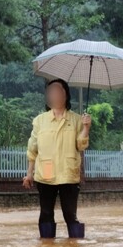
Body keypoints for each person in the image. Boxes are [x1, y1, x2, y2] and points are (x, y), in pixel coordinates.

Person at [22, 79, 91, 238]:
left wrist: (86, 127)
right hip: (46, 172)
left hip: (68, 173)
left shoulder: (76, 120)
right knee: (45, 212)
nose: (55, 94)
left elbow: (81, 145)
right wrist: (29, 173)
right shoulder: (40, 120)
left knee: (69, 214)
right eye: (51, 91)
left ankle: (75, 246)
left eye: (59, 91)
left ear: (66, 94)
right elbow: (33, 148)